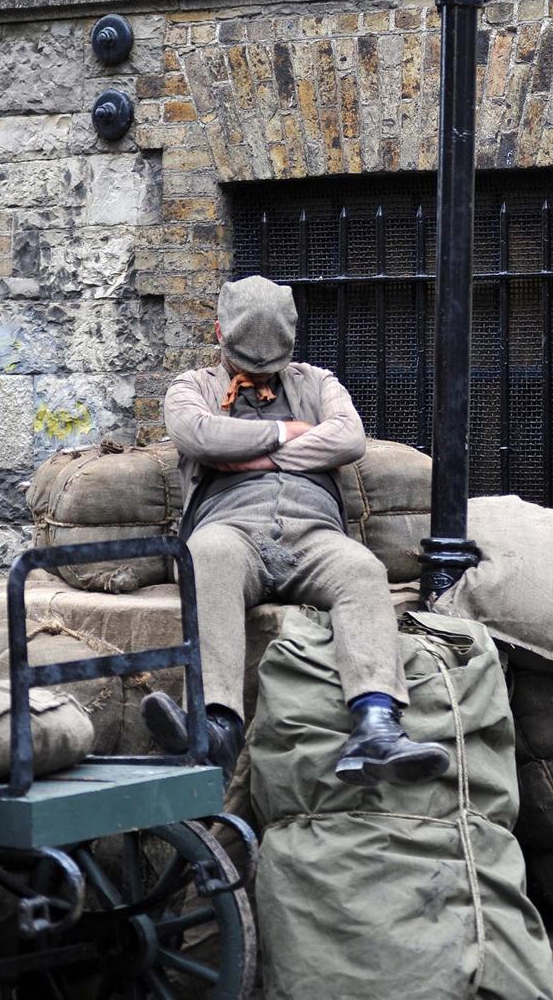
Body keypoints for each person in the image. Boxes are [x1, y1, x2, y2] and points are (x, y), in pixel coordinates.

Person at [141, 275, 449, 787]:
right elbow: (196, 434)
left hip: (314, 533)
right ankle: (217, 726)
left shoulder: (318, 382)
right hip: (229, 527)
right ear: (218, 332)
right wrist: (288, 434)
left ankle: (377, 725)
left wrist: (250, 456)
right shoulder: (191, 386)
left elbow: (348, 438)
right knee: (206, 558)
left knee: (361, 569)